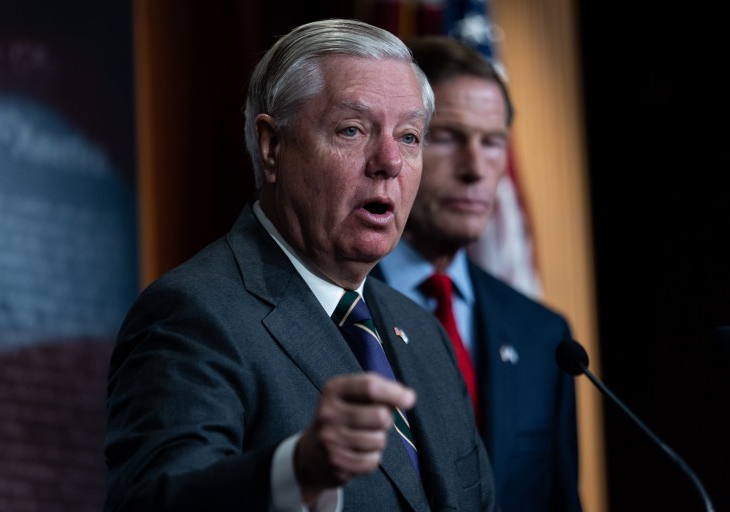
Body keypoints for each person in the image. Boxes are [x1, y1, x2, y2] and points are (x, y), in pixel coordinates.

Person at [103, 19, 499, 512]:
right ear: (272, 147)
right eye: (352, 130)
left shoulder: (423, 333)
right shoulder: (193, 315)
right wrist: (296, 472)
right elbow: (153, 502)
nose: (390, 161)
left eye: (410, 137)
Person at [371, 36, 583, 512]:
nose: (475, 169)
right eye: (447, 137)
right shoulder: (340, 311)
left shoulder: (544, 335)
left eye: (492, 142)